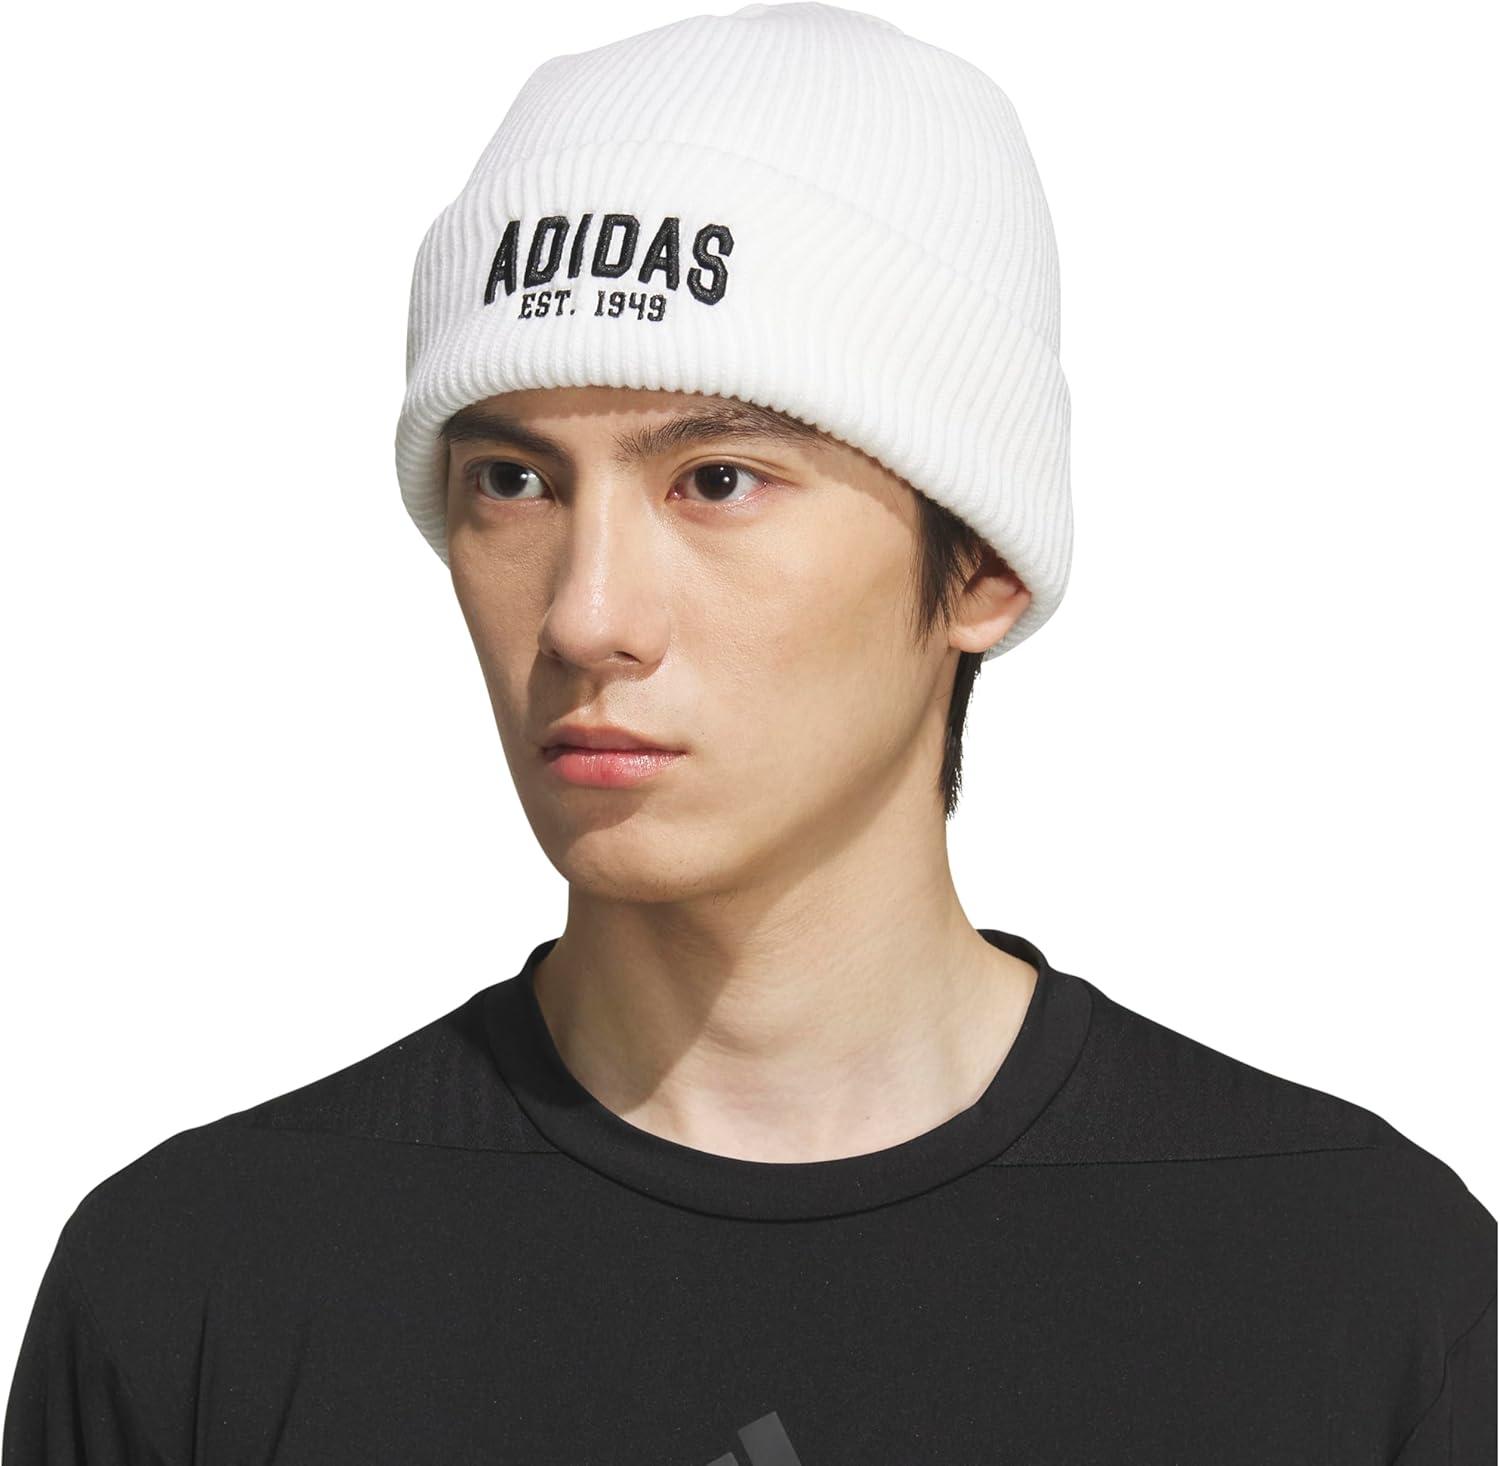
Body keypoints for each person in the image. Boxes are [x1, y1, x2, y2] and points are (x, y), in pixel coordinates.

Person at [4, 3, 1494, 1463]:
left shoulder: (1366, 1293)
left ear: (984, 563)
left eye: (716, 480)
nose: (587, 616)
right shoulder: (200, 1292)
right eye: (513, 482)